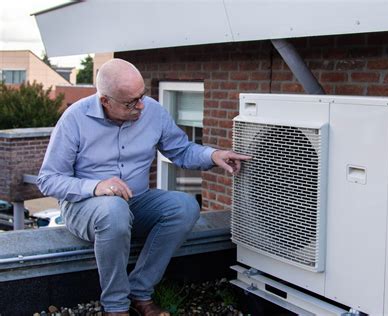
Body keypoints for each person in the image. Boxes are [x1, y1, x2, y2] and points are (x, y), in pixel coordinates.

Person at [37, 58, 251, 316]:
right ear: (105, 100)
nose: (140, 105)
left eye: (142, 96)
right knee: (112, 209)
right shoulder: (74, 119)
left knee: (184, 206)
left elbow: (181, 150)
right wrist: (97, 186)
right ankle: (115, 307)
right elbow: (48, 179)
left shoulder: (152, 111)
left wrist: (213, 155)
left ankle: (140, 292)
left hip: (136, 201)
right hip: (84, 208)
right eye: (131, 102)